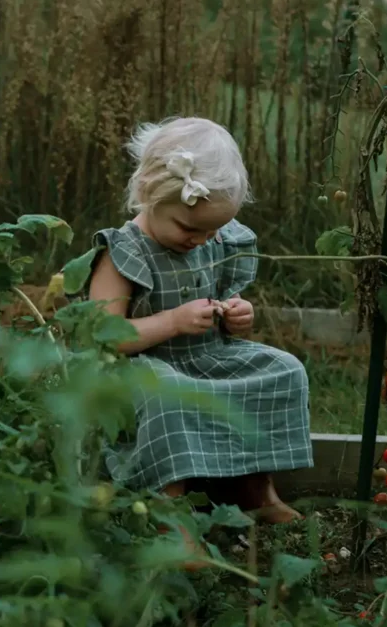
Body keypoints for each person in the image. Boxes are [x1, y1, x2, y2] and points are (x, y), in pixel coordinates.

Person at [86, 116, 312, 523]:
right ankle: (169, 512)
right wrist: (172, 321)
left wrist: (236, 315)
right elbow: (104, 337)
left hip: (206, 356)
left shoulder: (215, 239)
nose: (202, 241)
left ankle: (254, 489)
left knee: (285, 370)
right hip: (141, 369)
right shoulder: (122, 253)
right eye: (191, 228)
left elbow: (222, 296)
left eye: (214, 231)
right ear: (147, 193)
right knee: (167, 394)